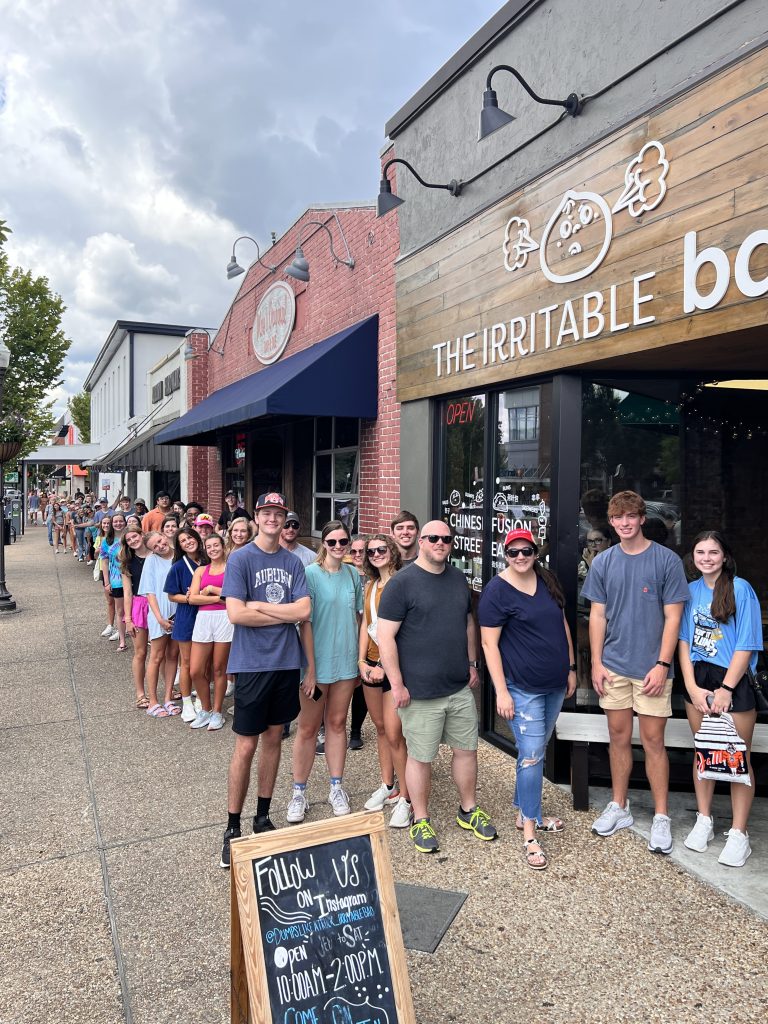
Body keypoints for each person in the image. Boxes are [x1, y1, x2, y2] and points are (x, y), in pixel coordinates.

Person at [377, 521, 497, 854]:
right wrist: (397, 684)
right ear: (422, 541)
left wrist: (473, 663)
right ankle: (421, 818)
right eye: (433, 538)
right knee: (420, 757)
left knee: (466, 751)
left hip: (458, 687)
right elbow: (385, 637)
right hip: (419, 691)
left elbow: (468, 622)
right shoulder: (402, 584)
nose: (440, 543)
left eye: (446, 538)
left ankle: (468, 809)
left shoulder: (458, 578)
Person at [581, 490, 690, 854]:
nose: (625, 523)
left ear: (642, 518)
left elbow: (674, 617)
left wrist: (662, 664)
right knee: (617, 737)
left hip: (651, 670)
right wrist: (596, 662)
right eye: (618, 518)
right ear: (611, 522)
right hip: (613, 666)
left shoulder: (666, 561)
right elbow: (597, 615)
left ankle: (661, 815)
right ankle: (620, 805)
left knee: (654, 742)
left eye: (631, 516)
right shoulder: (604, 562)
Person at [220, 491, 310, 868]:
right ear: (256, 516)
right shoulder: (241, 558)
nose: (273, 518)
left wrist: (260, 605)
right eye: (266, 512)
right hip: (253, 664)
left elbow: (304, 609)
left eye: (279, 513)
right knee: (245, 745)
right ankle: (232, 826)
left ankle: (262, 815)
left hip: (286, 663)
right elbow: (236, 615)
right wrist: (283, 615)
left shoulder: (293, 561)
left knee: (275, 738)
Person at [479, 529, 577, 870]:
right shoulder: (496, 591)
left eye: (527, 551)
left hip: (554, 684)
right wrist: (501, 691)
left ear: (536, 552)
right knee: (533, 757)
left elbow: (561, 624)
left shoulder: (546, 580)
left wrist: (571, 666)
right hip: (521, 688)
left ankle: (525, 812)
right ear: (505, 554)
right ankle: (531, 834)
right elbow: (489, 645)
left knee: (533, 750)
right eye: (513, 552)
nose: (520, 557)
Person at [678, 531, 762, 867]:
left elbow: (747, 643)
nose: (707, 558)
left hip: (733, 679)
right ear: (693, 557)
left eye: (713, 552)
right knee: (705, 752)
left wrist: (727, 689)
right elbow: (682, 642)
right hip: (698, 679)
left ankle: (739, 834)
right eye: (701, 552)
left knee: (736, 757)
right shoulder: (690, 591)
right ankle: (704, 819)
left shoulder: (741, 589)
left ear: (724, 556)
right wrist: (692, 688)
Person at [287, 520, 363, 823]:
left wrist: (358, 661)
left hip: (345, 662)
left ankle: (336, 787)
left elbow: (358, 619)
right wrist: (311, 671)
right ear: (324, 544)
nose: (338, 547)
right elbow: (305, 623)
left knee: (337, 723)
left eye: (343, 542)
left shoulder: (353, 574)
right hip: (316, 663)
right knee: (307, 727)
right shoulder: (309, 575)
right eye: (332, 542)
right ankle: (298, 792)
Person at [358, 534, 412, 828]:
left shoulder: (402, 584)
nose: (376, 554)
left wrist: (381, 665)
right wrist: (361, 660)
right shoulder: (370, 585)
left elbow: (404, 631)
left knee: (394, 734)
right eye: (371, 551)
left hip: (391, 669)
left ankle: (407, 797)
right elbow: (366, 624)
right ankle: (388, 785)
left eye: (382, 549)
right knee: (379, 728)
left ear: (392, 552)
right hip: (369, 666)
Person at [188, 532, 233, 731]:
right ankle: (205, 709)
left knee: (218, 668)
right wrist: (218, 597)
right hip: (204, 619)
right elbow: (193, 599)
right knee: (195, 669)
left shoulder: (231, 568)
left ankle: (217, 712)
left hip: (225, 619)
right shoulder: (201, 570)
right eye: (209, 546)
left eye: (216, 545)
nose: (213, 549)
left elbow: (233, 596)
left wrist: (210, 590)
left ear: (223, 547)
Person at [164, 527, 207, 723]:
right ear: (179, 546)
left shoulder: (209, 561)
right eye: (183, 541)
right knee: (187, 663)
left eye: (190, 537)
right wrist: (190, 598)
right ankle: (187, 702)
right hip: (187, 616)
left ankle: (200, 698)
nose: (188, 542)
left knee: (205, 663)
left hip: (208, 616)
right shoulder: (178, 567)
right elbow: (172, 595)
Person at [138, 530, 180, 717]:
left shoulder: (179, 555)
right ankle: (153, 701)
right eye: (155, 546)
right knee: (157, 656)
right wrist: (160, 619)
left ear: (164, 535)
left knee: (173, 656)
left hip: (179, 613)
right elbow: (149, 592)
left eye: (160, 541)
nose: (160, 546)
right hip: (160, 614)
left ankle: (168, 697)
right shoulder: (151, 561)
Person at [121, 527, 151, 709]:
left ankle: (168, 689)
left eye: (135, 536)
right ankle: (140, 693)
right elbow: (127, 592)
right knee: (140, 652)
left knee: (160, 652)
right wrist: (129, 619)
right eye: (129, 539)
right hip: (139, 605)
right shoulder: (127, 563)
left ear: (142, 535)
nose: (133, 540)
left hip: (158, 604)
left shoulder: (157, 555)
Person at [347, 535, 369, 749]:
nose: (357, 555)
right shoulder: (345, 575)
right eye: (353, 551)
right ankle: (325, 728)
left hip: (368, 640)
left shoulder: (374, 576)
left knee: (360, 687)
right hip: (346, 637)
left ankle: (355, 730)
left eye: (362, 551)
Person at [101, 512, 128, 651]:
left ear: (125, 522)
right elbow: (104, 562)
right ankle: (122, 640)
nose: (118, 524)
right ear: (111, 524)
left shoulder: (130, 537)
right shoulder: (107, 541)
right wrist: (106, 582)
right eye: (115, 521)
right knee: (120, 610)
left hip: (132, 578)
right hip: (116, 580)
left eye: (121, 521)